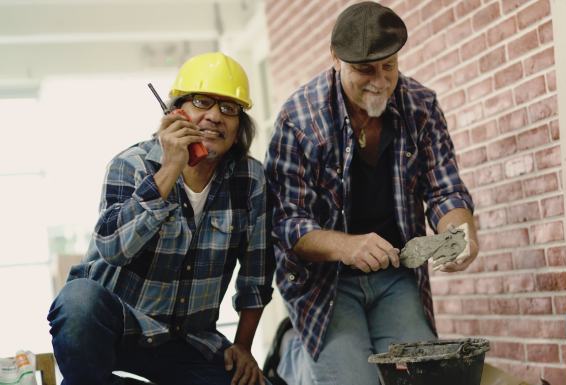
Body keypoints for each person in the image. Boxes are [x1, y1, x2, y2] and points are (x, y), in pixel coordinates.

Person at [264, 2, 479, 385]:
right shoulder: (298, 119)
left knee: (426, 378)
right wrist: (348, 247)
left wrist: (461, 231)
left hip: (396, 275)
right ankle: (295, 354)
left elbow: (444, 189)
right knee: (353, 380)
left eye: (389, 66)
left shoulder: (421, 106)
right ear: (336, 59)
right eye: (365, 69)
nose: (380, 81)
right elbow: (287, 224)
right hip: (324, 282)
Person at [47, 52, 275, 385]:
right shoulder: (131, 164)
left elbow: (256, 274)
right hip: (118, 328)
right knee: (78, 301)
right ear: (176, 112)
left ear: (239, 124)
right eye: (202, 102)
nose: (214, 116)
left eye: (229, 108)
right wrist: (170, 168)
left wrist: (243, 345)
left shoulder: (250, 179)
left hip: (188, 341)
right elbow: (113, 248)